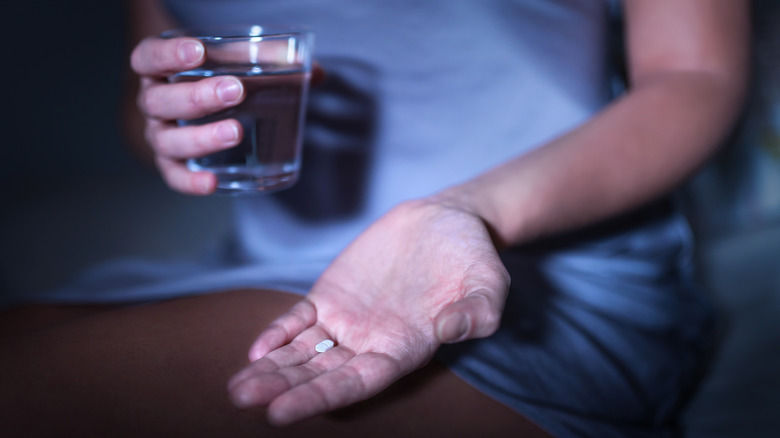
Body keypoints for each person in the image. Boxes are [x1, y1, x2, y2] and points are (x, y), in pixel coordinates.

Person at [0, 0, 749, 436]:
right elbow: (153, 96)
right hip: (261, 260)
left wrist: (466, 210)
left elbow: (695, 77)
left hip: (534, 274)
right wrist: (178, 128)